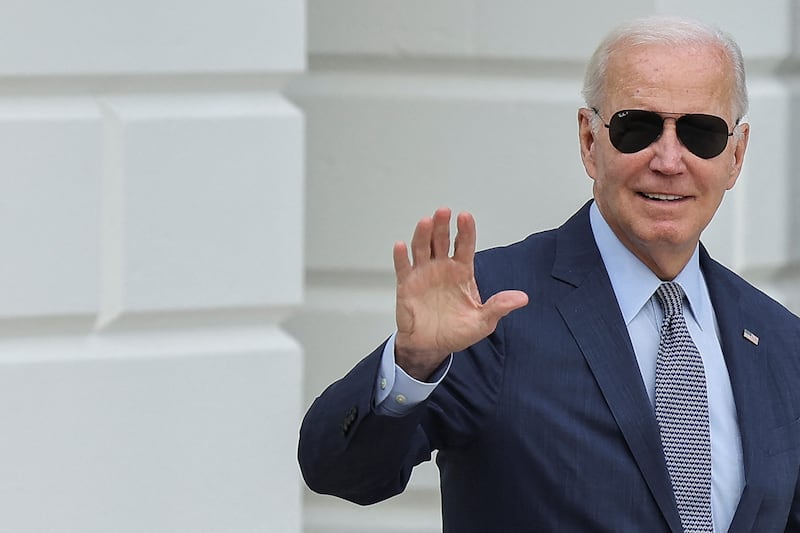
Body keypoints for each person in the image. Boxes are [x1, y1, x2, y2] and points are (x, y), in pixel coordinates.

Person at [298, 15, 800, 533]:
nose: (669, 160)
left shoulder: (781, 341)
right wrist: (414, 363)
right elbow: (338, 471)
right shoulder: (492, 308)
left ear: (735, 155)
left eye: (701, 132)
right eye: (637, 128)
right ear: (589, 140)